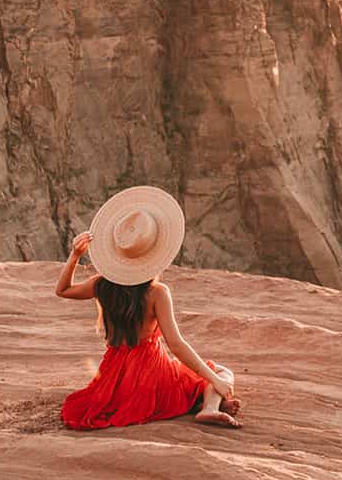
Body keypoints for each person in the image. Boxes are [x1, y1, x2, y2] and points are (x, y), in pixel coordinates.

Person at [55, 185, 241, 431]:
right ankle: (208, 408)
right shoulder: (157, 293)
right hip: (152, 375)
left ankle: (203, 401)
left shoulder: (103, 285)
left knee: (198, 379)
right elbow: (176, 344)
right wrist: (214, 379)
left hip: (116, 376)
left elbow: (63, 290)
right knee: (219, 373)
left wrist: (75, 256)